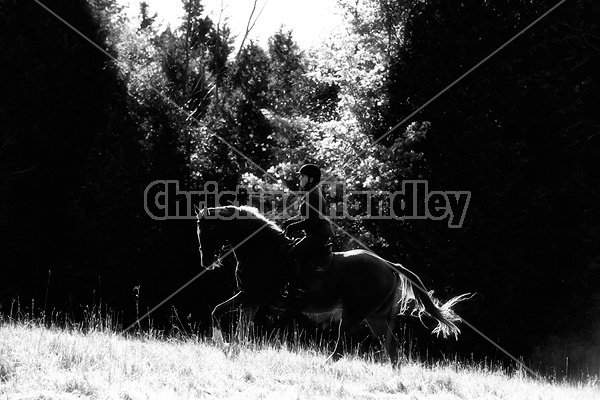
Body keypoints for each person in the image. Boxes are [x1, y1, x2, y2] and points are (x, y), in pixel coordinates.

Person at [281, 164, 334, 298]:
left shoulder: (313, 195)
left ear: (311, 179)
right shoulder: (311, 193)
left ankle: (295, 289)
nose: (300, 179)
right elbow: (304, 217)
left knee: (290, 255)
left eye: (302, 176)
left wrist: (292, 227)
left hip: (318, 235)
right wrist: (289, 222)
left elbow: (311, 221)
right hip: (316, 234)